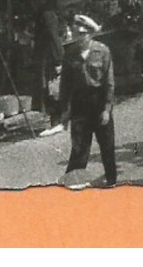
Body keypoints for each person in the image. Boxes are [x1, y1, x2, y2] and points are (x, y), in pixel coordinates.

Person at [59, 13, 118, 186]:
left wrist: (107, 109)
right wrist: (65, 110)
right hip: (79, 104)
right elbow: (65, 85)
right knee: (79, 147)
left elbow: (109, 82)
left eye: (84, 34)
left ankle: (112, 181)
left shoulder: (102, 51)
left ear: (90, 34)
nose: (80, 38)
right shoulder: (69, 55)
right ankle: (73, 182)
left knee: (107, 145)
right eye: (77, 34)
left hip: (98, 102)